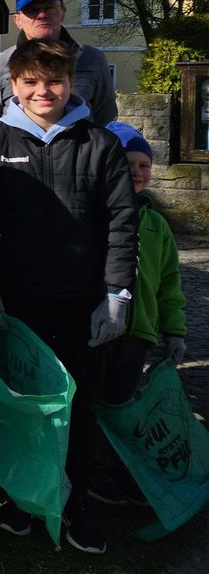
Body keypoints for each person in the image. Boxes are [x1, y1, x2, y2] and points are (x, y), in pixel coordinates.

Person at [0, 40, 137, 555]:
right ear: (13, 85)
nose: (43, 91)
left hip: (82, 301)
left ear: (72, 84)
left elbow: (123, 223)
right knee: (25, 402)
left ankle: (74, 500)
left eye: (54, 81)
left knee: (78, 405)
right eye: (31, 82)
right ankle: (22, 497)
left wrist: (117, 295)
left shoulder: (100, 145)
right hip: (17, 302)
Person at [92, 121, 186, 505]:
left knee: (123, 403)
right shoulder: (94, 219)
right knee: (92, 400)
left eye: (144, 165)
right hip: (97, 331)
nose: (137, 172)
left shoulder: (157, 225)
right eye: (127, 164)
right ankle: (89, 470)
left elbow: (169, 283)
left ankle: (118, 470)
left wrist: (175, 331)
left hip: (138, 334)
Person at [0, 0, 116, 128]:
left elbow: (104, 116)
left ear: (63, 12)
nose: (42, 15)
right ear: (17, 20)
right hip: (18, 150)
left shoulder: (92, 59)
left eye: (49, 8)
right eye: (32, 10)